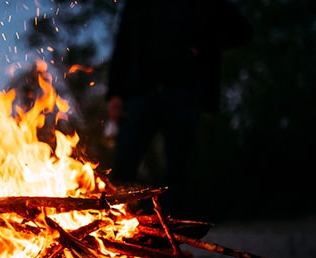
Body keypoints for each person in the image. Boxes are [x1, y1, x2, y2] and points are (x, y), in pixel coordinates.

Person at [105, 0, 252, 218]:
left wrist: (201, 47)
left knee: (178, 169)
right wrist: (114, 94)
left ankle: (169, 231)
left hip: (184, 92)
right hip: (141, 92)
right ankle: (108, 221)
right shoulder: (138, 4)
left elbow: (241, 30)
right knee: (124, 164)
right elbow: (123, 44)